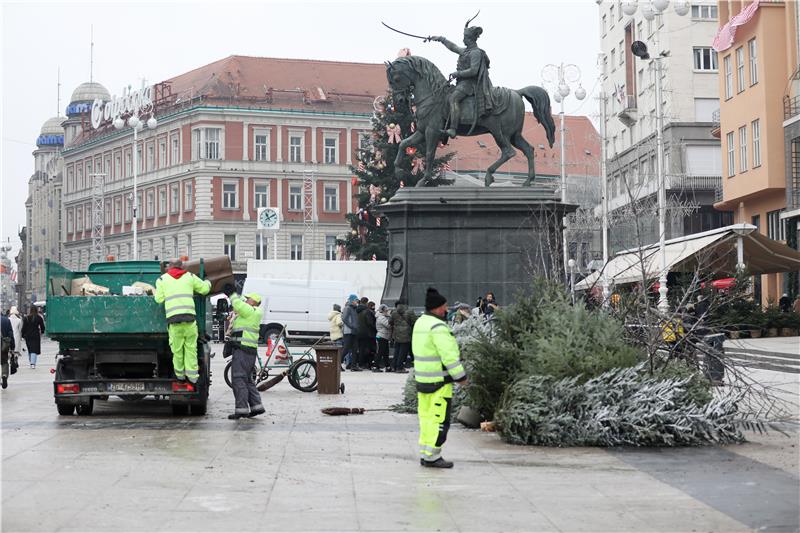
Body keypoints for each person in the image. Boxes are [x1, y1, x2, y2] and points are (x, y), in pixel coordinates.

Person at [412, 287, 468, 468]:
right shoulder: (438, 327)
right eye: (445, 306)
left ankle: (426, 454)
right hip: (439, 384)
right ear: (436, 308)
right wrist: (461, 377)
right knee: (439, 421)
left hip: (422, 381)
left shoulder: (421, 323)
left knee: (427, 419)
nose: (447, 310)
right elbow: (449, 357)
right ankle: (433, 456)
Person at [429, 26, 496, 138]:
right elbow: (453, 47)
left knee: (453, 98)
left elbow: (474, 71)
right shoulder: (465, 51)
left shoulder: (476, 53)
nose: (463, 40)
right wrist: (441, 39)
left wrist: (457, 74)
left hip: (471, 84)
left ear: (470, 38)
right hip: (462, 83)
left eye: (465, 37)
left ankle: (453, 129)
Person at [154, 258, 211, 383]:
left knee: (177, 350)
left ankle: (180, 376)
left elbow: (158, 299)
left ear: (169, 267)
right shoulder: (190, 276)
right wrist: (208, 282)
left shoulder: (162, 280)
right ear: (182, 267)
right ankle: (192, 377)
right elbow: (205, 289)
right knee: (191, 349)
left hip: (174, 322)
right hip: (190, 321)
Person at [226, 291, 266, 420]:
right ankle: (256, 407)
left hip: (242, 350)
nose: (245, 300)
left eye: (247, 299)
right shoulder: (251, 313)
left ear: (253, 301)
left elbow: (237, 304)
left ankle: (241, 410)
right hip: (248, 351)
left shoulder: (250, 311)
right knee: (247, 380)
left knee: (238, 379)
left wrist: (231, 294)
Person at [391, 300, 416, 373]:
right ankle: (399, 368)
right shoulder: (410, 312)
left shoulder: (394, 312)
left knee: (397, 351)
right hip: (406, 334)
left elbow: (390, 322)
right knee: (403, 352)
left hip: (396, 334)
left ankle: (394, 367)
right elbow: (414, 322)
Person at [357, 299, 377, 371]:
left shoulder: (357, 310)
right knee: (368, 349)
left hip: (359, 332)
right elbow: (370, 323)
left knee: (361, 349)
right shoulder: (367, 312)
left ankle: (361, 363)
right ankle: (366, 364)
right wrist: (375, 328)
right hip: (367, 333)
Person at [341, 295, 360, 370]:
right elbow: (344, 318)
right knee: (346, 349)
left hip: (354, 332)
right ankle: (338, 364)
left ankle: (353, 366)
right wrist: (352, 326)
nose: (357, 302)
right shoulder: (347, 308)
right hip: (348, 332)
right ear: (352, 300)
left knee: (355, 349)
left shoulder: (354, 309)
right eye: (356, 300)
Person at [375, 304, 392, 371]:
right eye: (386, 310)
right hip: (382, 336)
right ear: (383, 311)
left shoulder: (383, 317)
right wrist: (390, 317)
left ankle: (387, 366)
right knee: (380, 352)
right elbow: (388, 325)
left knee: (385, 353)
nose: (387, 312)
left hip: (384, 336)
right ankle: (375, 366)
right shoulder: (381, 317)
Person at [1, 313, 14, 389]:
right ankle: (4, 375)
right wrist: (12, 346)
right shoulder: (6, 320)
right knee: (4, 361)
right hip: (3, 345)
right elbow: (10, 334)